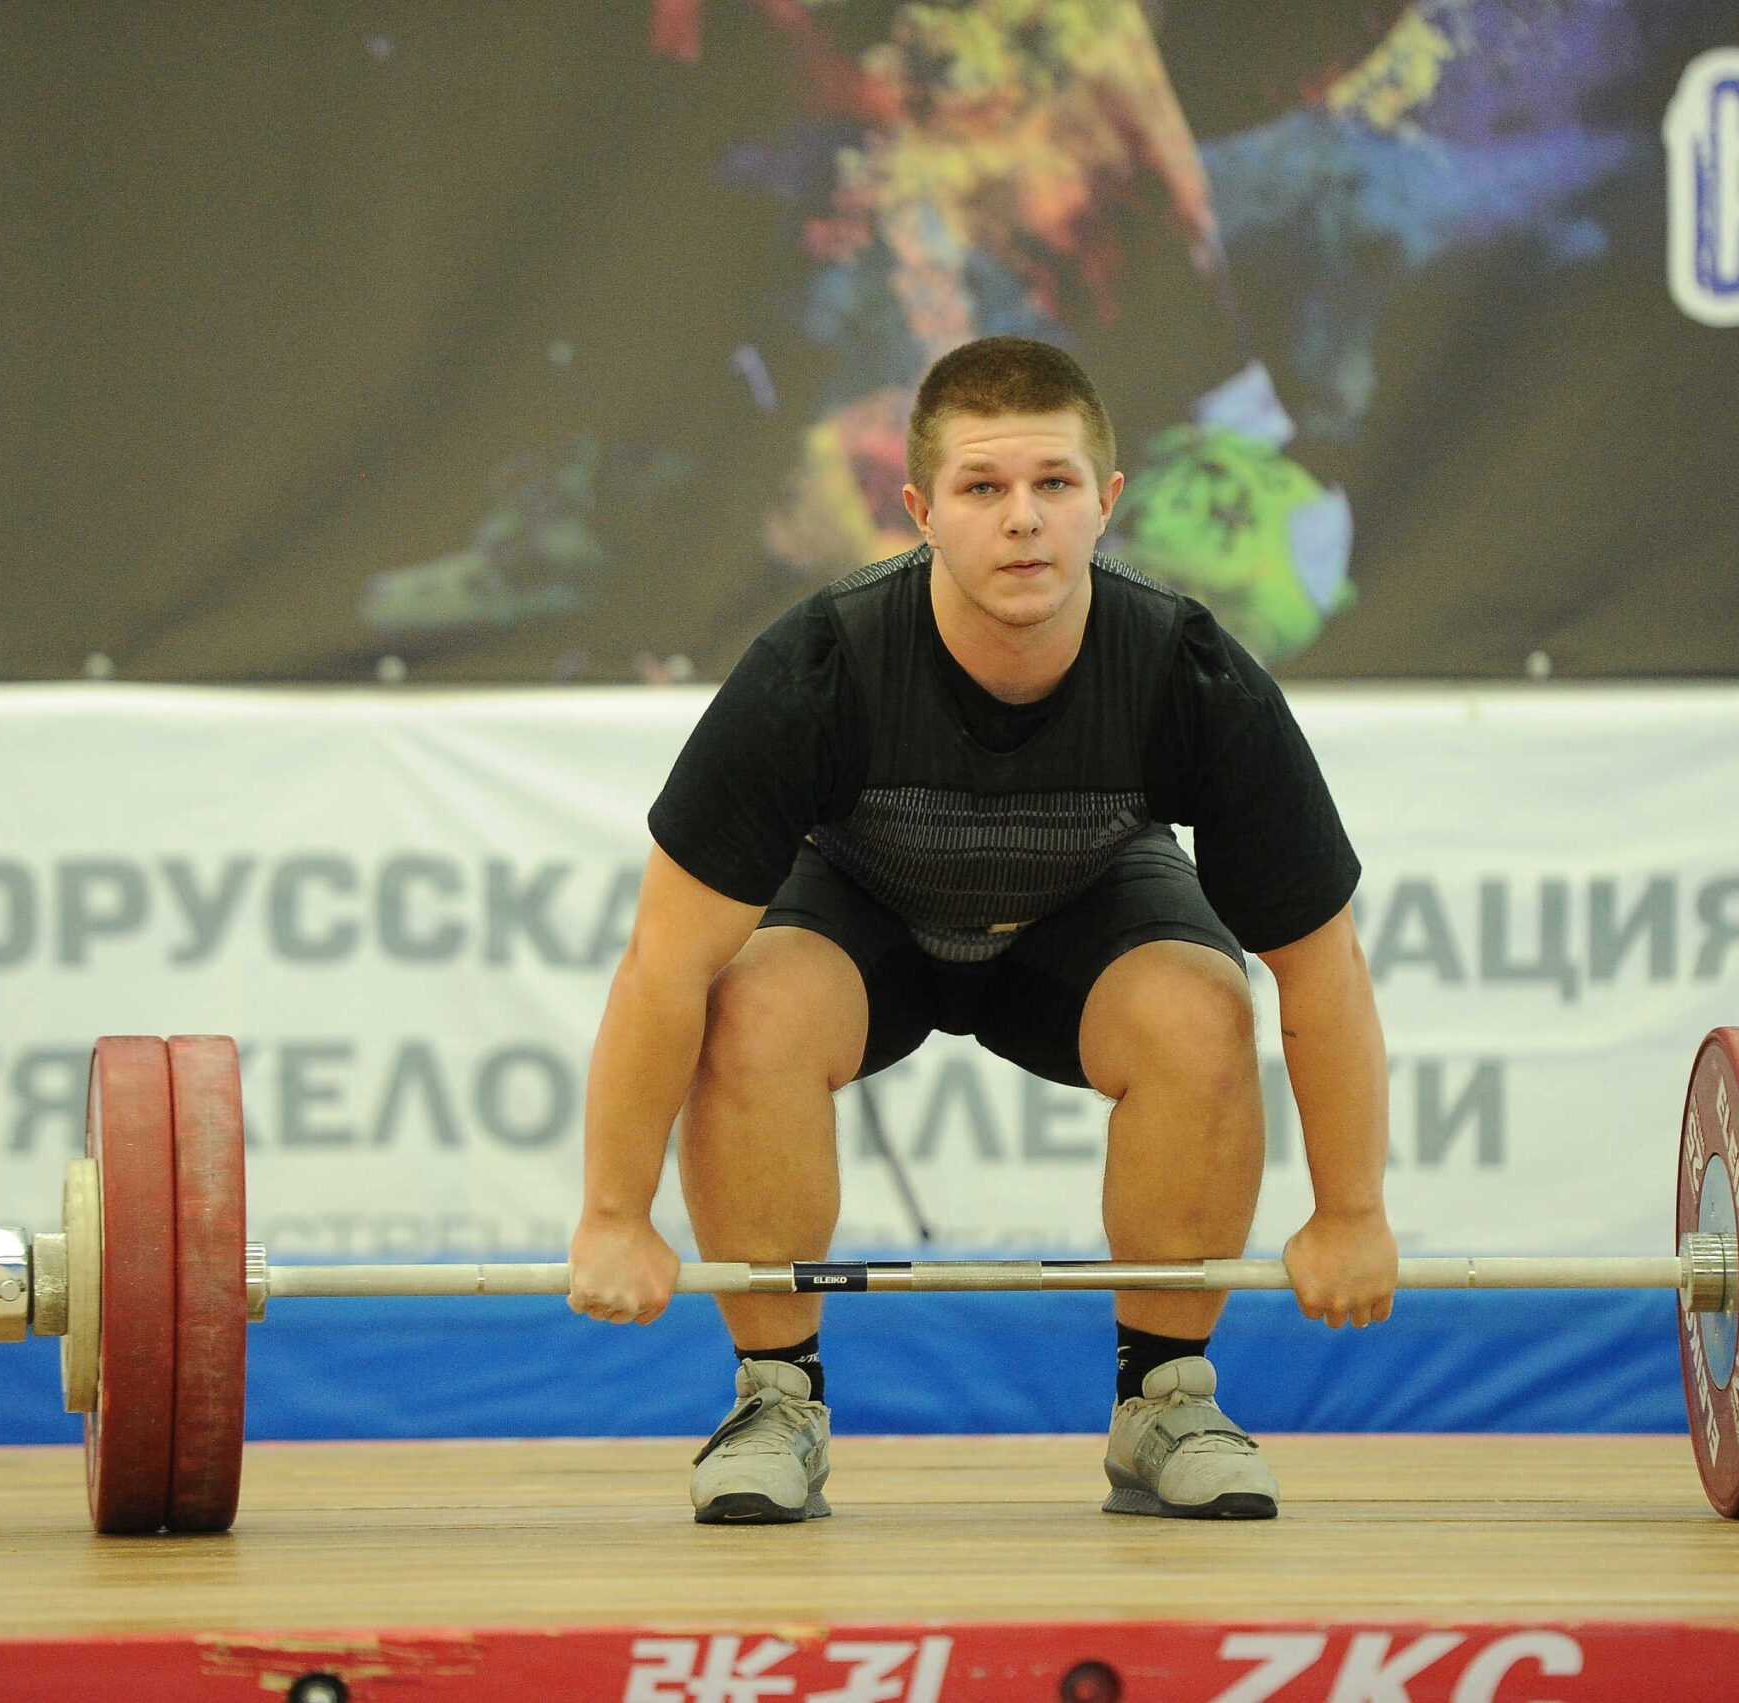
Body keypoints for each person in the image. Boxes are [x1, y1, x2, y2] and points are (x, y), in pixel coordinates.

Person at [566, 335, 1396, 1524]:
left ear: (1106, 501)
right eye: (982, 486)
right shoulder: (816, 666)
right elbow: (664, 963)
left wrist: (1351, 1211)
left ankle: (1163, 1396)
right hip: (864, 910)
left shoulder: (1189, 674)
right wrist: (612, 1214)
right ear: (920, 511)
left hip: (1085, 910)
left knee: (1200, 1010)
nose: (1022, 519)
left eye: (1054, 482)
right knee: (747, 1000)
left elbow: (1322, 969)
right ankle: (775, 1398)